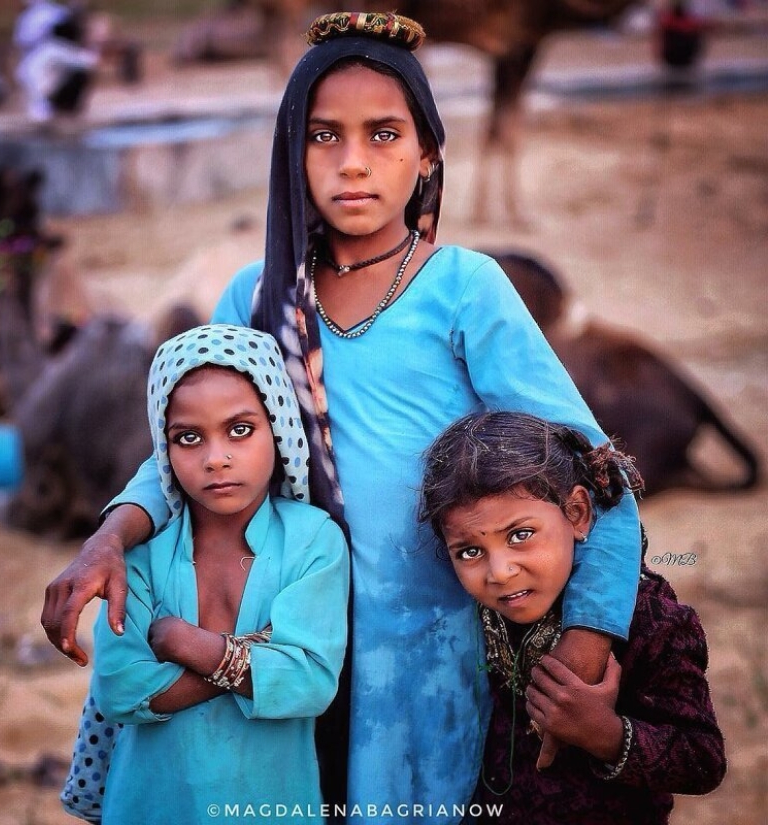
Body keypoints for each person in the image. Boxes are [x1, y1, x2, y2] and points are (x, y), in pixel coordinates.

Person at [42, 12, 643, 820]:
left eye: (384, 134)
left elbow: (595, 472)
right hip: (274, 660)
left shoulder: (463, 289)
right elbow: (187, 451)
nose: (353, 162)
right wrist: (110, 535)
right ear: (291, 153)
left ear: (428, 153)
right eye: (323, 136)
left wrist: (582, 651)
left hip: (429, 672)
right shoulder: (256, 300)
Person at [63, 323, 349, 823]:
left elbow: (311, 683)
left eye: (240, 430)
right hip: (150, 806)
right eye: (188, 437)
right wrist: (253, 658)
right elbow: (120, 690)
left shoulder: (313, 540)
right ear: (164, 448)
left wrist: (183, 643)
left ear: (279, 427)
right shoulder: (142, 551)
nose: (216, 459)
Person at [419, 410, 726, 823]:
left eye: (520, 535)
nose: (500, 572)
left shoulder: (651, 621)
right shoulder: (475, 616)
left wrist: (604, 734)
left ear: (578, 513)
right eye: (470, 551)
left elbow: (702, 760)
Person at [13, 0, 98, 124]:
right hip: (41, 93)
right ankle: (64, 108)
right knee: (80, 73)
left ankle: (55, 106)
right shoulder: (56, 48)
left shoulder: (47, 46)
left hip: (33, 88)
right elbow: (89, 63)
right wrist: (94, 47)